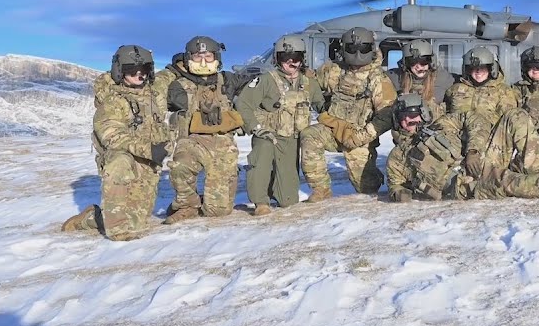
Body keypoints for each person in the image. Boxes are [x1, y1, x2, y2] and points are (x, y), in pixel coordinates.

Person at [386, 93, 539, 202]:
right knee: (512, 183)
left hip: (481, 159)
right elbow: (395, 186)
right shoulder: (397, 156)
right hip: (464, 183)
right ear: (398, 121)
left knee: (516, 115)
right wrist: (401, 194)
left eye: (415, 115)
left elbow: (474, 120)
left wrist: (473, 151)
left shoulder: (442, 123)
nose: (411, 121)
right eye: (405, 118)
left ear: (423, 114)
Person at [61, 44, 173, 240]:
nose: (139, 75)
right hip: (123, 158)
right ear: (120, 71)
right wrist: (149, 149)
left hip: (147, 162)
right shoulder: (112, 101)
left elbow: (169, 76)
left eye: (144, 70)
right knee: (119, 161)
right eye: (132, 71)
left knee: (137, 221)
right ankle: (116, 232)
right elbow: (112, 135)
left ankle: (93, 217)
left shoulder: (154, 92)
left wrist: (181, 64)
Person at [300, 26, 397, 201]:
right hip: (333, 129)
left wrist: (360, 137)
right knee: (310, 136)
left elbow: (387, 115)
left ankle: (375, 179)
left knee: (366, 189)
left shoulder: (378, 79)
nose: (358, 53)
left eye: (363, 48)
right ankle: (321, 189)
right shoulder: (334, 70)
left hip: (358, 136)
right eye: (352, 49)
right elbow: (312, 83)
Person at [162, 36, 247, 224]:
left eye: (208, 56)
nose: (202, 62)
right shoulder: (177, 85)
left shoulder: (228, 81)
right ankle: (187, 206)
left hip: (222, 144)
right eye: (197, 56)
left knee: (218, 211)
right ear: (187, 58)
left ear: (216, 57)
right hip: (192, 142)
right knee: (180, 166)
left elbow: (256, 85)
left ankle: (208, 200)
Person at [237, 35, 324, 214]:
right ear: (278, 59)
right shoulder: (266, 80)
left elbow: (321, 105)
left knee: (288, 200)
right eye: (285, 58)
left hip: (292, 139)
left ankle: (277, 191)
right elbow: (243, 103)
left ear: (303, 59)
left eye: (296, 58)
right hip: (268, 135)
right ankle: (260, 201)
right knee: (262, 156)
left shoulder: (309, 84)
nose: (291, 62)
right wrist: (256, 127)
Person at [444, 45, 519, 117]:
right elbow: (445, 111)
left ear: (491, 69)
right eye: (474, 68)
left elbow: (507, 119)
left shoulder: (503, 91)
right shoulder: (455, 89)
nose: (478, 71)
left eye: (482, 67)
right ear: (469, 70)